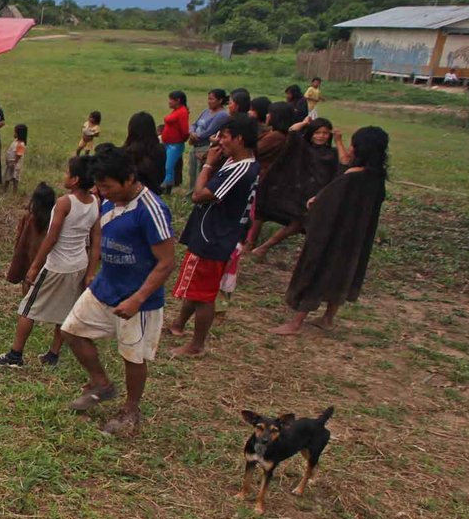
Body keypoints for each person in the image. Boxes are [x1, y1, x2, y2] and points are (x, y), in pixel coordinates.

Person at [59, 144, 176, 437]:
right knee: (71, 331)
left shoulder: (152, 210)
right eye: (98, 186)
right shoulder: (109, 202)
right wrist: (92, 271)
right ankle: (101, 384)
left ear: (128, 178)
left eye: (107, 186)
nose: (101, 192)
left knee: (133, 356)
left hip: (138, 299)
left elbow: (166, 262)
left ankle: (131, 410)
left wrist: (138, 298)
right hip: (104, 288)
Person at [275, 127, 389, 336]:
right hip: (355, 239)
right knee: (342, 273)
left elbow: (327, 205)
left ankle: (296, 323)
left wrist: (315, 203)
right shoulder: (376, 178)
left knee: (316, 270)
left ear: (360, 150)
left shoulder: (351, 178)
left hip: (332, 237)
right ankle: (328, 318)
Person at [0, 157, 98, 368]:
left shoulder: (64, 203)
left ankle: (15, 355)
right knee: (66, 312)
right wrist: (91, 271)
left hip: (57, 265)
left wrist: (35, 266)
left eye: (67, 172)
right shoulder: (95, 202)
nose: (64, 176)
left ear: (75, 179)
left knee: (27, 308)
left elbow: (51, 237)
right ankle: (53, 355)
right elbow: (96, 239)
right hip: (79, 265)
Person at [165, 115, 258, 357]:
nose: (219, 141)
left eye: (224, 137)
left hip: (214, 237)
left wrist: (206, 166)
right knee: (197, 286)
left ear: (239, 138)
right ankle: (178, 324)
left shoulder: (241, 170)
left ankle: (196, 346)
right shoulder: (239, 162)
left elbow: (199, 195)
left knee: (204, 294)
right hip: (212, 233)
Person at [249, 116, 344, 261]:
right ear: (311, 133)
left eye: (325, 133)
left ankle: (264, 248)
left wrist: (339, 140)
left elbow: (344, 162)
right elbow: (293, 131)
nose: (321, 136)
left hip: (318, 196)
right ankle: (260, 247)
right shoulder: (304, 148)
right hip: (300, 194)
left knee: (302, 225)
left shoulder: (332, 153)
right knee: (296, 223)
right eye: (317, 132)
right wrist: (304, 123)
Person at [188, 89, 231, 179]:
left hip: (205, 146)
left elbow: (209, 131)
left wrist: (196, 136)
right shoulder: (206, 111)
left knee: (200, 173)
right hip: (196, 144)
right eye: (208, 99)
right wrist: (191, 132)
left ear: (220, 101)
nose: (209, 102)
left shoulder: (222, 115)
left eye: (212, 99)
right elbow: (194, 124)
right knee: (192, 172)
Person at [121, 111, 166, 194]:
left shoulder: (125, 152)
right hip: (152, 193)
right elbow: (161, 175)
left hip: (129, 194)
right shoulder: (160, 150)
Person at [160, 90, 191, 193]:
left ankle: (165, 186)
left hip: (175, 144)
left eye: (171, 100)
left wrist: (181, 139)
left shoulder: (182, 112)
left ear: (178, 100)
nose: (169, 102)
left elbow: (185, 130)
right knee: (168, 166)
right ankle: (168, 186)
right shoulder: (176, 110)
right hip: (169, 143)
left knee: (168, 166)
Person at [3, 124, 27, 193]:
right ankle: (4, 190)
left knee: (15, 178)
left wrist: (14, 163)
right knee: (7, 176)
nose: (14, 133)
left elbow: (18, 155)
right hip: (10, 163)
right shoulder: (16, 141)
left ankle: (14, 192)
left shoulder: (21, 145)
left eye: (15, 132)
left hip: (15, 164)